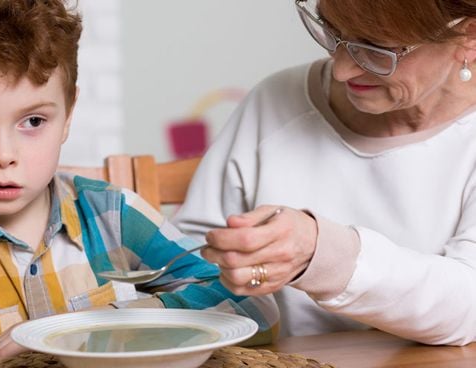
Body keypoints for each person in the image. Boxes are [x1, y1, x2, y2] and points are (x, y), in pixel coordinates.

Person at [0, 0, 279, 366]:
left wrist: (84, 329)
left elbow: (256, 305)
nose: (3, 153)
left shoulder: (110, 215)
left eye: (33, 121)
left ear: (69, 114)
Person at [173, 0, 476, 346]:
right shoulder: (276, 99)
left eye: (376, 47)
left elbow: (469, 302)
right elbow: (189, 254)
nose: (341, 70)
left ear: (469, 36)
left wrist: (320, 253)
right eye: (332, 31)